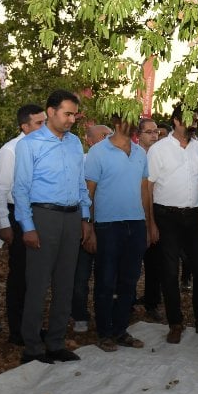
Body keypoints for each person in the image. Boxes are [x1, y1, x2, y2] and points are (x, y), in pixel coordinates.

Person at [12, 90, 91, 364]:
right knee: (37, 284)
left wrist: (85, 217)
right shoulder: (29, 145)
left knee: (65, 283)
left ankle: (56, 343)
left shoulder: (74, 143)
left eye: (74, 114)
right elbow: (20, 189)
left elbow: (81, 183)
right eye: (67, 113)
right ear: (50, 112)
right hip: (43, 217)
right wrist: (27, 226)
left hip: (71, 217)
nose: (71, 119)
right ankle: (32, 347)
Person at [146, 105, 198, 343]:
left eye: (197, 120)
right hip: (166, 217)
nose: (195, 124)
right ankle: (175, 323)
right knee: (169, 273)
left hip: (194, 219)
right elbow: (147, 188)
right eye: (191, 119)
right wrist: (151, 223)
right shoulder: (158, 150)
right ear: (177, 121)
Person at [84, 114, 154, 351]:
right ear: (116, 123)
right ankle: (104, 333)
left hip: (135, 224)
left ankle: (121, 330)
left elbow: (145, 191)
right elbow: (89, 192)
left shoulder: (140, 153)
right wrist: (89, 226)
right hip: (107, 226)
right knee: (105, 280)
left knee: (129, 281)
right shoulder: (98, 152)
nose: (132, 123)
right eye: (127, 119)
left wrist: (149, 224)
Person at [0, 104, 46, 346]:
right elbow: (1, 190)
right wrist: (4, 223)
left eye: (44, 121)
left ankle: (34, 326)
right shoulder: (10, 151)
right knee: (20, 276)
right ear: (24, 126)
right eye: (38, 123)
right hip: (17, 217)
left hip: (41, 215)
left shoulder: (46, 147)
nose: (43, 127)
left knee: (38, 275)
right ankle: (17, 331)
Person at [71, 123, 113, 334]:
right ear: (89, 141)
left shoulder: (117, 161)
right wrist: (86, 224)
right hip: (85, 225)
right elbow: (83, 195)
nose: (107, 139)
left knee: (107, 275)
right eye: (102, 135)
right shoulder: (82, 162)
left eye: (109, 135)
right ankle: (79, 314)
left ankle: (106, 316)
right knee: (80, 276)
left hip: (109, 227)